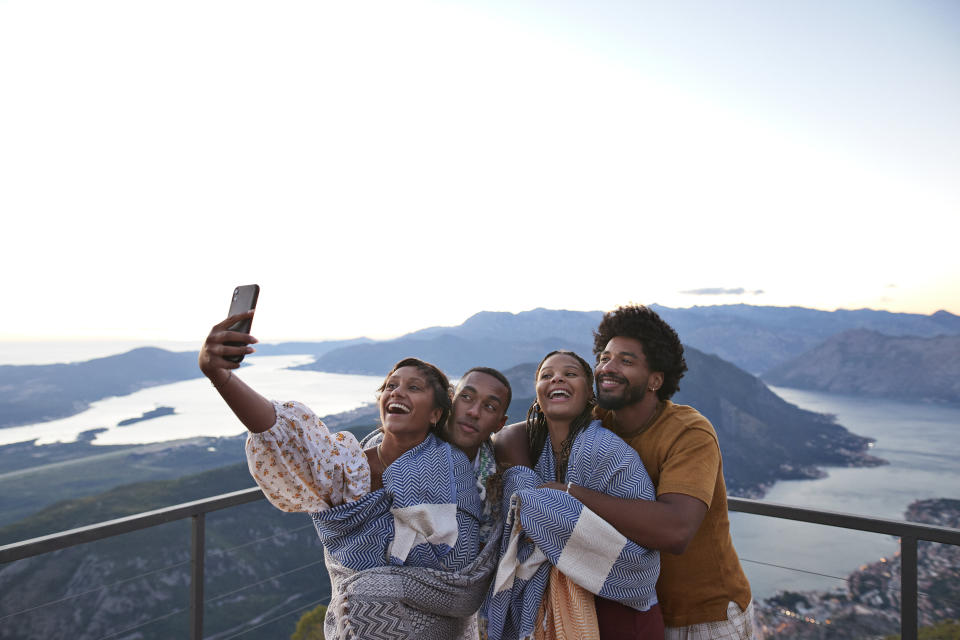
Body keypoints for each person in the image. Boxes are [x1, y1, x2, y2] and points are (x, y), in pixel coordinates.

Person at [199, 310, 494, 640]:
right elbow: (286, 435)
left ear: (436, 413)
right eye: (390, 386)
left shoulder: (453, 469)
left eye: (414, 387)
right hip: (356, 624)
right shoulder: (347, 465)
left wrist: (382, 582)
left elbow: (462, 571)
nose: (397, 392)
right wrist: (220, 377)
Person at [585, 304, 757, 639]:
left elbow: (675, 530)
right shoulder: (598, 423)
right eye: (604, 357)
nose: (608, 367)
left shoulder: (688, 431)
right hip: (637, 614)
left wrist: (572, 495)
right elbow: (530, 429)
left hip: (703, 617)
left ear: (655, 380)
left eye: (626, 360)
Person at [487, 350, 663, 640]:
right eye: (547, 375)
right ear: (539, 396)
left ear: (589, 394)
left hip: (621, 613)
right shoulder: (538, 452)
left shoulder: (607, 452)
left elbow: (640, 562)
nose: (557, 377)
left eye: (570, 374)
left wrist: (543, 511)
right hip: (552, 611)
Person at [445, 366, 512, 543]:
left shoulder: (498, 482)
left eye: (489, 406)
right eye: (466, 397)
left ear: (500, 423)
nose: (474, 412)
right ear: (451, 399)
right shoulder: (406, 448)